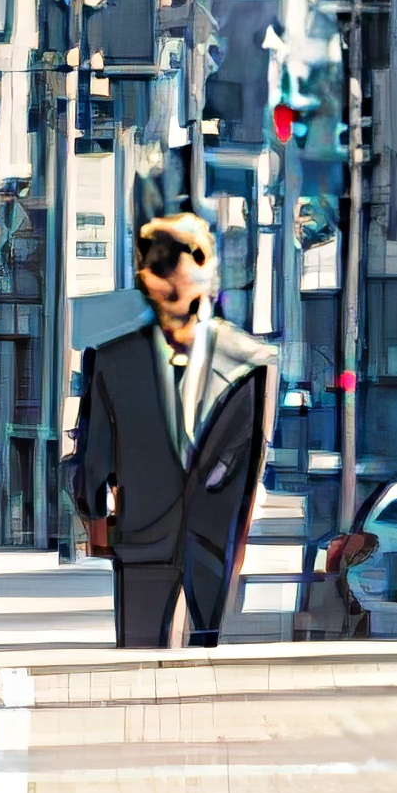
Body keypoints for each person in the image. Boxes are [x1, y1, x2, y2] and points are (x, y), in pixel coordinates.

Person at [71, 212, 279, 647]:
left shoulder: (252, 362)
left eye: (173, 265)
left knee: (208, 664)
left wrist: (244, 525)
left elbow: (252, 455)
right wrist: (94, 518)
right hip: (142, 539)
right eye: (153, 267)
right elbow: (93, 455)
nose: (163, 281)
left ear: (205, 270)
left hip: (214, 543)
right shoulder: (112, 360)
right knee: (138, 658)